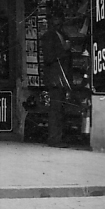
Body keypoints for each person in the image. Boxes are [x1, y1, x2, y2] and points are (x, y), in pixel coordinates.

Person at [40, 19, 72, 149]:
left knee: (59, 109)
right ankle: (54, 138)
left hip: (61, 77)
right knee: (55, 109)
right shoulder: (48, 36)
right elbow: (48, 57)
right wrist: (64, 50)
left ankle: (58, 137)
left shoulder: (62, 35)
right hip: (55, 78)